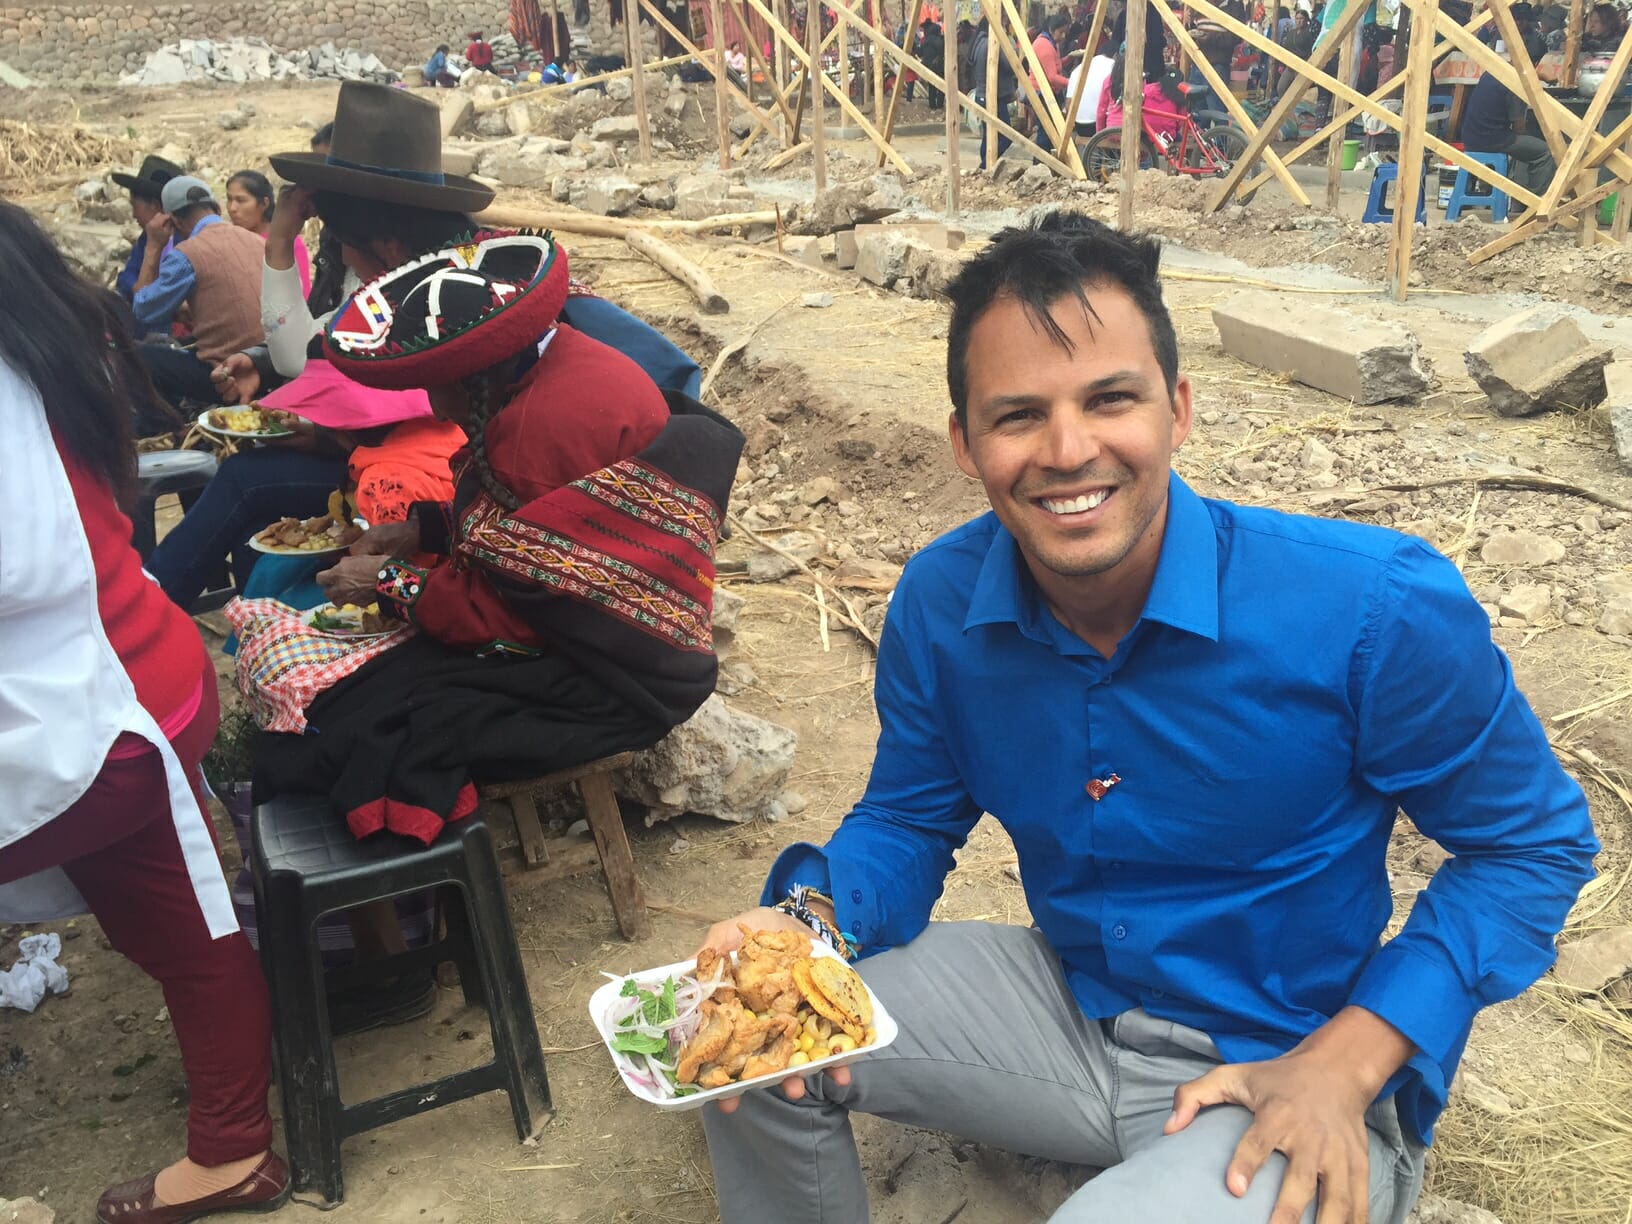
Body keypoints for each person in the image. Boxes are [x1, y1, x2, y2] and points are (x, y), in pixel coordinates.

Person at [696, 211, 1598, 1224]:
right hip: (1067, 1016)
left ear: (1177, 408)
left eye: (1110, 399)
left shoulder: (1370, 609)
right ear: (964, 443)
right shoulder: (941, 608)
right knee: (742, 1030)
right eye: (1018, 415)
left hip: (1281, 1059)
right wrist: (806, 925)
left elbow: (1533, 847)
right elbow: (908, 821)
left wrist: (1350, 1062)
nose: (1068, 450)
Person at [252, 229, 744, 846]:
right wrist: (420, 529)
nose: (433, 401)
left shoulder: (534, 429)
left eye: (439, 380)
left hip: (616, 677)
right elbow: (525, 533)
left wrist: (385, 581)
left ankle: (400, 888)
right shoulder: (564, 359)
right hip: (623, 642)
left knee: (368, 719)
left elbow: (502, 616)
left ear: (477, 374)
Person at [0, 199, 290, 1224]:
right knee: (180, 929)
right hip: (130, 676)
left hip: (95, 708)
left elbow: (26, 559)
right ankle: (233, 1147)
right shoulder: (49, 346)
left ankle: (233, 1147)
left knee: (186, 928)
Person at [133, 176, 267, 421]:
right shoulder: (258, 242)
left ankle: (170, 429)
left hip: (229, 375)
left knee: (138, 356)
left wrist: (153, 245)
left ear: (174, 221)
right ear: (216, 208)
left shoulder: (188, 253)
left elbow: (143, 308)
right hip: (268, 367)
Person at [1461, 54, 1557, 194]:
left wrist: (1541, 76)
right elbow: (1519, 128)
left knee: (1525, 144)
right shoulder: (1515, 84)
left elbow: (1523, 69)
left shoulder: (1493, 71)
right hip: (1491, 140)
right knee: (1546, 152)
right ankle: (1534, 203)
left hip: (1471, 135)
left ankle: (1491, 190)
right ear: (1534, 63)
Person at [110, 153, 182, 307]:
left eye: (135, 207)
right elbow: (126, 276)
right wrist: (136, 289)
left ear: (155, 206)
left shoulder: (188, 240)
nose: (134, 214)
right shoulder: (146, 238)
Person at [224, 169, 311, 295]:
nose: (232, 208)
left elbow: (303, 294)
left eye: (241, 200)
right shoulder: (228, 241)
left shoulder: (289, 243)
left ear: (264, 203)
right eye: (229, 199)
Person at [969, 16, 1019, 170]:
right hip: (994, 97)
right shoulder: (993, 44)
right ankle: (986, 164)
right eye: (1003, 26)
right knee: (1006, 135)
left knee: (988, 134)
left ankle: (984, 167)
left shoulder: (979, 41)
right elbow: (1010, 66)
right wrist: (1011, 46)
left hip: (982, 94)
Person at [1067, 43, 1116, 136]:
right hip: (1100, 124)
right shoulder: (1113, 65)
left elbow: (1068, 103)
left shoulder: (1078, 68)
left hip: (1079, 124)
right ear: (1115, 55)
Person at [1032, 10, 1072, 97]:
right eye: (1061, 32)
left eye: (1065, 33)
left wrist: (1069, 58)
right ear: (1051, 30)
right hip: (1041, 93)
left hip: (1049, 91)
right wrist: (1072, 83)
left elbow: (1053, 64)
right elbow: (1052, 77)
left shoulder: (1052, 42)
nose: (1063, 36)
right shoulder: (1044, 45)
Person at [918, 18, 946, 110]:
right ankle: (940, 105)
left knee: (932, 87)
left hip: (929, 67)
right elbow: (943, 52)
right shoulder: (940, 40)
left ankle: (932, 105)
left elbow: (920, 53)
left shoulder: (926, 41)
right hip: (939, 67)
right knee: (941, 87)